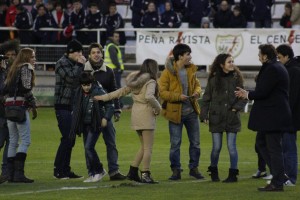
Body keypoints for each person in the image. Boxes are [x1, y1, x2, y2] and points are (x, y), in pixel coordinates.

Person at [235, 44, 293, 192]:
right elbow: (266, 89)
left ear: (265, 56)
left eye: (260, 54)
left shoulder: (272, 68)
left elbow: (263, 92)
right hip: (273, 115)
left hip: (273, 116)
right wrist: (248, 92)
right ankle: (280, 176)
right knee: (261, 143)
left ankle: (277, 181)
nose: (258, 57)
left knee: (273, 148)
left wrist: (247, 94)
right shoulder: (276, 67)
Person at [94, 58, 162, 184]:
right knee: (148, 148)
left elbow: (119, 92)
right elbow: (149, 96)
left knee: (143, 146)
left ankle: (133, 171)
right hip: (146, 114)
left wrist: (102, 97)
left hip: (136, 114)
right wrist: (159, 107)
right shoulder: (151, 81)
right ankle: (146, 174)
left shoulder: (135, 82)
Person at [158, 43, 204, 181]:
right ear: (180, 56)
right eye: (188, 54)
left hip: (191, 112)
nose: (190, 57)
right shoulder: (167, 72)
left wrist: (196, 93)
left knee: (195, 143)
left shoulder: (191, 70)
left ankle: (194, 169)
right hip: (175, 113)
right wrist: (178, 97)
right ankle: (176, 170)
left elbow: (197, 85)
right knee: (175, 144)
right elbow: (162, 93)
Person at [200, 54, 247, 183]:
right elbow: (206, 99)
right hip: (216, 118)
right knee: (216, 147)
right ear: (222, 65)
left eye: (232, 61)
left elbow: (244, 97)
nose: (232, 63)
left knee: (232, 147)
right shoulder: (214, 79)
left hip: (232, 118)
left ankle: (233, 174)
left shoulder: (237, 78)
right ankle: (213, 170)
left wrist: (235, 109)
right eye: (229, 62)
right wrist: (203, 115)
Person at [84, 43, 126, 181]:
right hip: (89, 115)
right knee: (88, 145)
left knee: (111, 143)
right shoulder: (83, 70)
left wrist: (117, 109)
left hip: (106, 112)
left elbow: (114, 90)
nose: (96, 54)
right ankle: (93, 172)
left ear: (102, 54)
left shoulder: (108, 70)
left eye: (98, 52)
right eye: (93, 52)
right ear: (89, 55)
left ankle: (114, 171)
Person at [0, 48, 37, 184]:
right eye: (32, 57)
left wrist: (8, 102)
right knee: (25, 140)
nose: (34, 59)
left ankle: (9, 174)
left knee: (13, 140)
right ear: (26, 58)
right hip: (20, 107)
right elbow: (26, 88)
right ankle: (18, 174)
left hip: (8, 108)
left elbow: (4, 91)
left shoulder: (12, 69)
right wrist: (33, 104)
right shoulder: (26, 68)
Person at [69, 72, 114, 183]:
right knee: (87, 149)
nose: (86, 87)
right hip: (84, 123)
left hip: (95, 123)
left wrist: (105, 118)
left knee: (89, 147)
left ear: (92, 83)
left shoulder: (98, 91)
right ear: (81, 85)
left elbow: (110, 105)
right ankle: (92, 173)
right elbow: (75, 105)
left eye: (88, 85)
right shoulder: (78, 92)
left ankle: (99, 171)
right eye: (84, 85)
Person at [53, 39, 86, 179]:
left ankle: (65, 169)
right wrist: (80, 64)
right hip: (62, 106)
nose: (80, 54)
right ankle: (58, 169)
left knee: (70, 139)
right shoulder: (61, 63)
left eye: (81, 52)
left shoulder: (75, 64)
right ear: (70, 52)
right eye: (77, 52)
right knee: (67, 137)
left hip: (73, 106)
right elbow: (71, 79)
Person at [276, 44, 300, 186]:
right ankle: (285, 176)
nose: (278, 60)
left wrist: (285, 112)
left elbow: (292, 96)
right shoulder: (290, 69)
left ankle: (291, 177)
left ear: (287, 56)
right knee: (285, 147)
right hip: (288, 115)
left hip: (290, 117)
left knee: (289, 148)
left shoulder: (294, 71)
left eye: (279, 58)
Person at [0, 39, 19, 183]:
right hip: (1, 113)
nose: (11, 57)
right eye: (8, 55)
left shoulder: (18, 71)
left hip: (13, 112)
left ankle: (6, 173)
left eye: (13, 54)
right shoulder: (2, 71)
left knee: (11, 143)